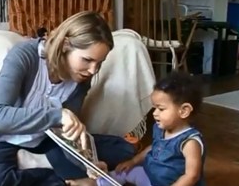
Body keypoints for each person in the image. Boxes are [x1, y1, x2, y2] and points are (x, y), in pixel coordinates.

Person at [0, 11, 135, 186]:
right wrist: (57, 115)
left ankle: (42, 165)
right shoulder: (24, 55)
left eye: (99, 63)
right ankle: (57, 176)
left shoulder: (82, 79)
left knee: (124, 150)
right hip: (5, 143)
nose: (93, 70)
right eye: (87, 60)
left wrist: (87, 161)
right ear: (65, 45)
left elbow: (65, 133)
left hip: (46, 142)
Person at [67, 72, 205, 186]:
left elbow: (191, 176)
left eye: (161, 109)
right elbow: (154, 147)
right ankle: (95, 182)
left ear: (184, 111)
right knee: (123, 173)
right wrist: (133, 162)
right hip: (150, 175)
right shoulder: (160, 128)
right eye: (154, 107)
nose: (155, 113)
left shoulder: (190, 142)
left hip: (171, 183)